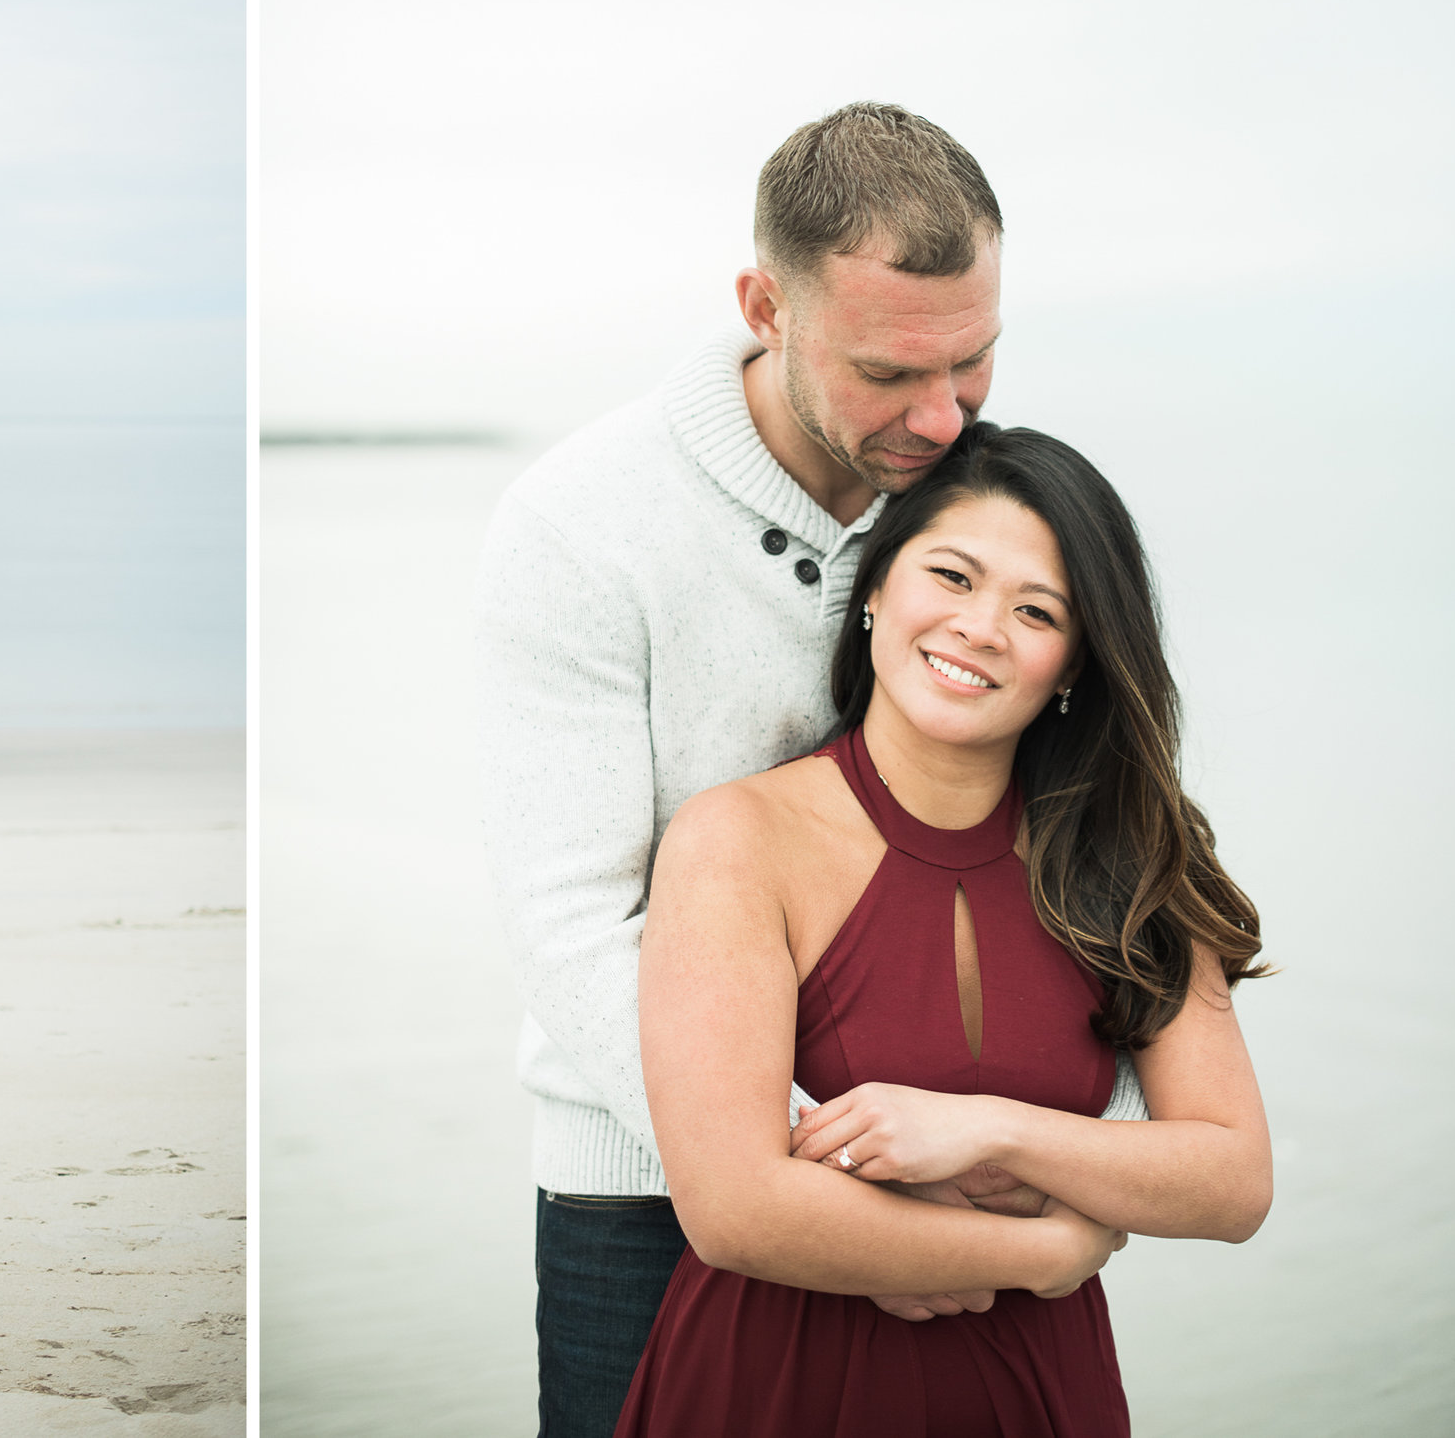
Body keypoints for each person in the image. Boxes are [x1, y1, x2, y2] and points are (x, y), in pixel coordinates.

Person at [476, 103, 1138, 1435]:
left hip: (965, 1176)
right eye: (891, 369)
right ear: (765, 304)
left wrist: (1054, 1144)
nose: (941, 413)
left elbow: (1073, 835)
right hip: (643, 1195)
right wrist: (829, 1181)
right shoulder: (582, 522)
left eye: (976, 357)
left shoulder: (971, 510)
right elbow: (572, 917)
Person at [614, 422, 1269, 1435]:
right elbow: (734, 1207)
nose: (980, 627)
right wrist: (1044, 1251)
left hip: (1038, 1389)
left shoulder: (1126, 858)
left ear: (1071, 670)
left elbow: (1231, 1180)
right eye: (952, 575)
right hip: (778, 1385)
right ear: (874, 588)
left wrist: (991, 1126)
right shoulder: (738, 839)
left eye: (1037, 610)